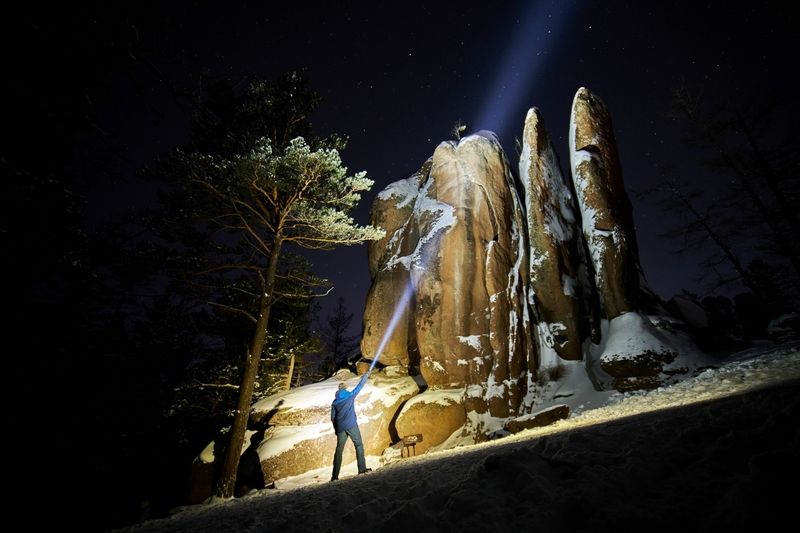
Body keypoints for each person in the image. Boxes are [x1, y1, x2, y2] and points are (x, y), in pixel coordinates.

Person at [330, 370, 372, 481]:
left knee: (339, 450)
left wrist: (336, 429)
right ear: (345, 388)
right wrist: (366, 376)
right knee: (358, 444)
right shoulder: (349, 396)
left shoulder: (335, 402)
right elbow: (359, 386)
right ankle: (362, 469)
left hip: (340, 428)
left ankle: (334, 476)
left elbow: (333, 417)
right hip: (351, 425)